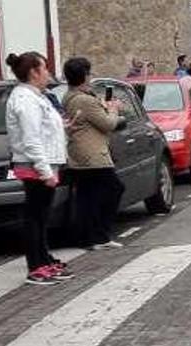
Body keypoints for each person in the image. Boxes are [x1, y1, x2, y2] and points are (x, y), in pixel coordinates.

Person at [5, 52, 74, 285]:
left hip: (43, 163)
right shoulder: (25, 99)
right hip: (35, 167)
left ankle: (44, 258)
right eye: (44, 68)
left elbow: (42, 130)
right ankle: (36, 266)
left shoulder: (37, 96)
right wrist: (45, 172)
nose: (48, 73)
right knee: (35, 217)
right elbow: (31, 139)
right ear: (34, 72)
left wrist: (61, 126)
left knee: (41, 217)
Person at [62, 57, 127, 251]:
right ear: (83, 76)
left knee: (87, 196)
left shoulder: (70, 96)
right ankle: (101, 234)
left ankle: (88, 237)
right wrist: (114, 111)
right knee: (114, 189)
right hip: (93, 155)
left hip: (79, 154)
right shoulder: (84, 100)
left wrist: (103, 108)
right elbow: (107, 124)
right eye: (89, 73)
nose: (91, 77)